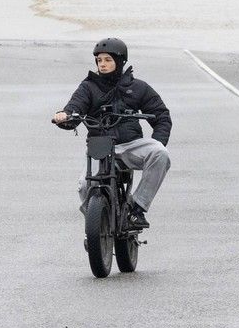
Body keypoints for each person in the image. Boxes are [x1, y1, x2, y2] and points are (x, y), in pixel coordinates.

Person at [52, 38, 171, 229]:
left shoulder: (138, 87)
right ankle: (96, 230)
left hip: (131, 145)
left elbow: (162, 116)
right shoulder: (88, 87)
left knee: (160, 153)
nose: (103, 64)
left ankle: (137, 209)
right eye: (99, 60)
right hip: (101, 147)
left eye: (107, 59)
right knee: (84, 186)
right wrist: (64, 116)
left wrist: (157, 142)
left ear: (120, 61)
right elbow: (74, 108)